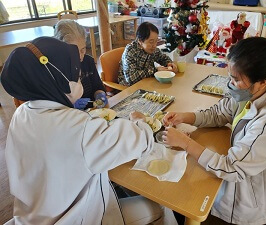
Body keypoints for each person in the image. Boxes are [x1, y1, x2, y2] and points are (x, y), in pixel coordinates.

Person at [0, 37, 175, 225]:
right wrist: (139, 121)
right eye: (74, 73)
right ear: (58, 80)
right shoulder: (80, 128)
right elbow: (142, 141)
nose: (79, 77)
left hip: (32, 216)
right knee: (162, 206)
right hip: (79, 219)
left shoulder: (21, 114)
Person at [162, 36, 266, 224]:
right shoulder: (251, 93)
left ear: (262, 82)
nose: (230, 84)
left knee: (188, 197)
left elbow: (232, 168)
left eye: (235, 80)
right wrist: (184, 116)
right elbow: (220, 113)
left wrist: (186, 143)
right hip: (245, 176)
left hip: (255, 204)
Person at [54, 19, 107, 110]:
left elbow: (97, 86)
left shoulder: (88, 61)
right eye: (74, 52)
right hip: (69, 117)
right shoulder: (54, 70)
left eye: (83, 49)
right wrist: (71, 106)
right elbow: (54, 108)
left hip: (93, 111)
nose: (80, 56)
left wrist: (100, 95)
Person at [118, 22, 178, 86]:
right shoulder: (131, 51)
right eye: (151, 42)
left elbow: (162, 58)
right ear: (140, 41)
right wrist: (155, 70)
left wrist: (169, 63)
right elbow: (131, 78)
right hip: (129, 88)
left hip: (146, 83)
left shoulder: (152, 49)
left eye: (156, 41)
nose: (154, 45)